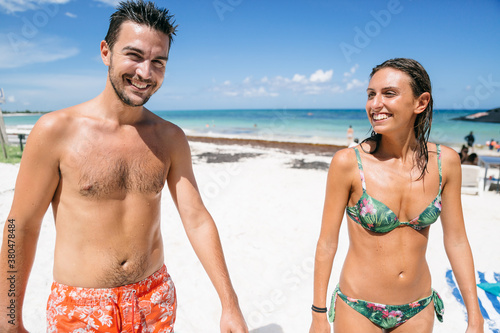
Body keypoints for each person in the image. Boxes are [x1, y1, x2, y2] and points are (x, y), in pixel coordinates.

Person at [0, 1, 247, 332]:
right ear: (106, 52)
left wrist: (229, 304)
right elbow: (21, 226)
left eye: (158, 62)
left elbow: (197, 220)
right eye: (134, 55)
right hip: (81, 307)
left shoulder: (170, 138)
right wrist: (8, 318)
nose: (145, 73)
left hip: (154, 299)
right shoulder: (55, 131)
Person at [309, 58, 483, 332]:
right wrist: (319, 314)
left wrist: (475, 315)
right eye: (370, 94)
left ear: (420, 102)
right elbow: (327, 243)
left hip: (418, 307)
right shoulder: (348, 163)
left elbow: (457, 241)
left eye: (388, 93)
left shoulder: (445, 163)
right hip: (358, 307)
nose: (375, 104)